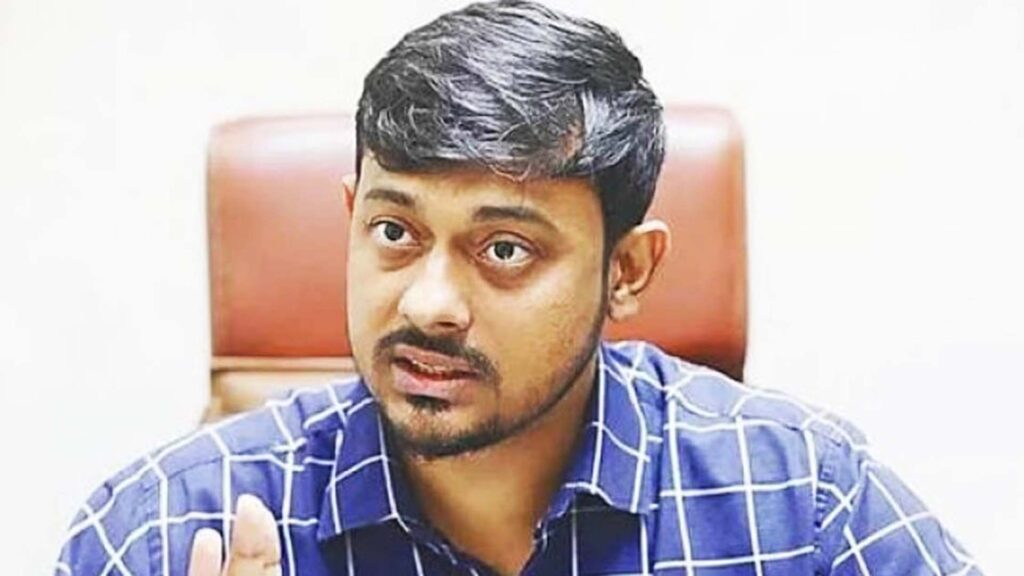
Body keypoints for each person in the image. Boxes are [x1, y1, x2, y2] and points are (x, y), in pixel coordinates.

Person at [56, 1, 980, 575]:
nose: (427, 303)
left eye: (504, 249)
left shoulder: (800, 502)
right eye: (394, 231)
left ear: (627, 271)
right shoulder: (167, 531)